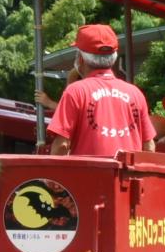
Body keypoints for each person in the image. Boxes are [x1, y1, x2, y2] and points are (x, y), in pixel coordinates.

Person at [45, 24, 155, 157]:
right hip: (128, 176)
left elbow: (62, 145)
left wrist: (52, 176)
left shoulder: (75, 91)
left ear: (80, 59)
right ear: (113, 58)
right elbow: (149, 146)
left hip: (88, 176)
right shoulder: (135, 93)